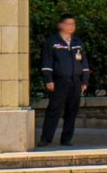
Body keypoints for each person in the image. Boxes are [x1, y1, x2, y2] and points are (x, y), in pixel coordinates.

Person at [37, 14, 89, 149]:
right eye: (68, 24)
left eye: (73, 24)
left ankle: (66, 138)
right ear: (61, 25)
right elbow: (47, 61)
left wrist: (84, 81)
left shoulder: (78, 42)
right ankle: (46, 138)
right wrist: (48, 79)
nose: (71, 27)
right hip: (59, 80)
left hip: (75, 81)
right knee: (54, 109)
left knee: (72, 110)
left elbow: (84, 63)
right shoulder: (53, 42)